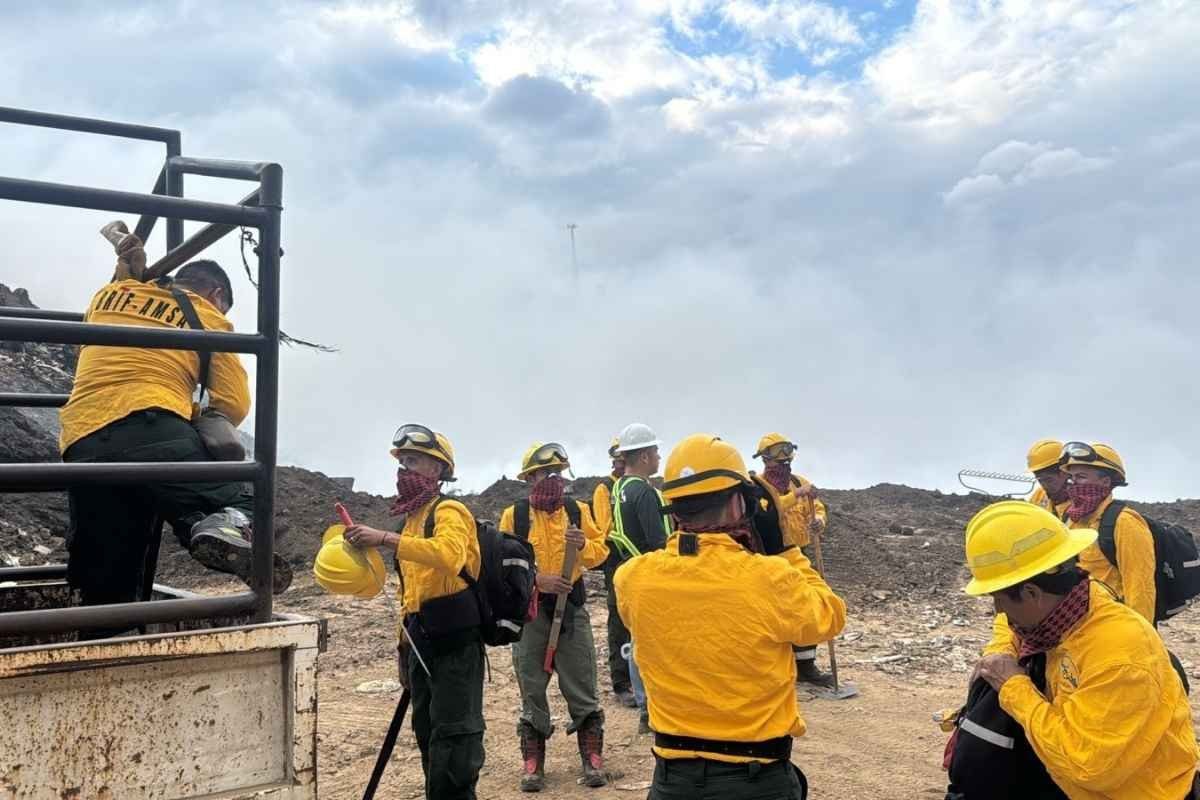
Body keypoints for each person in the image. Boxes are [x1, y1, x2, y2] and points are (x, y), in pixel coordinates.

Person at [59, 237, 290, 627]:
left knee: (109, 571)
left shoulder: (110, 294)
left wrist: (127, 270)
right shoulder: (207, 314)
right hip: (150, 423)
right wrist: (198, 412)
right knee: (252, 501)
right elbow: (233, 401)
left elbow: (115, 300)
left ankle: (103, 642)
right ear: (216, 294)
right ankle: (222, 522)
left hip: (79, 439)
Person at [616, 434, 846, 800]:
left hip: (672, 782)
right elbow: (828, 617)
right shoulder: (771, 579)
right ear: (741, 503)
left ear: (673, 509)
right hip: (756, 781)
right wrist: (784, 548)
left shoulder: (632, 579)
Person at [966, 501, 1197, 799]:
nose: (997, 610)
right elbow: (1006, 624)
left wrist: (1013, 687)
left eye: (998, 598)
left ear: (1033, 593)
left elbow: (1086, 765)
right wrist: (1001, 653)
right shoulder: (1073, 603)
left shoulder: (1119, 658)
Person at [344, 425, 484, 800]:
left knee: (454, 741)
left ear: (437, 470)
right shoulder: (412, 519)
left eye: (413, 461)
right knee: (428, 734)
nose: (404, 469)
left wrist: (385, 538)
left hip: (455, 647)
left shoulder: (449, 510)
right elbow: (411, 594)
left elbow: (450, 555)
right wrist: (403, 649)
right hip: (421, 645)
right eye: (402, 462)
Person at [500, 442, 609, 791]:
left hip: (571, 608)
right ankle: (533, 759)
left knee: (581, 680)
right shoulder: (514, 516)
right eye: (544, 473)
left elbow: (598, 554)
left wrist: (582, 546)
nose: (551, 479)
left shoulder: (577, 511)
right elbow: (503, 565)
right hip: (531, 612)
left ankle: (592, 756)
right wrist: (536, 579)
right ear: (529, 477)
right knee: (531, 683)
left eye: (557, 473)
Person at [751, 432, 835, 688]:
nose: (783, 467)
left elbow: (818, 507)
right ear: (765, 460)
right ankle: (775, 665)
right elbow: (771, 508)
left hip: (799, 554)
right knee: (774, 612)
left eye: (787, 462)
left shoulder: (799, 482)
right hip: (770, 557)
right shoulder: (757, 488)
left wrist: (819, 521)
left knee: (805, 607)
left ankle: (806, 666)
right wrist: (797, 495)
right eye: (778, 462)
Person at [608, 422, 671, 732]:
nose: (659, 456)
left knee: (635, 640)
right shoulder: (644, 491)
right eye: (655, 451)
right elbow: (657, 539)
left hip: (629, 572)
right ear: (645, 456)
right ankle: (652, 707)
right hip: (651, 571)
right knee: (650, 641)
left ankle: (645, 703)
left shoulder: (618, 488)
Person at [1059, 442, 1156, 625]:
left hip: (1113, 623)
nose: (1073, 483)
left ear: (1105, 482)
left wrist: (1138, 635)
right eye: (1071, 477)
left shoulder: (1125, 522)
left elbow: (1140, 589)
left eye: (1081, 477)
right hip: (1076, 623)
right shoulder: (1070, 519)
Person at [592, 437, 637, 708]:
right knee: (619, 620)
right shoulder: (605, 489)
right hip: (617, 560)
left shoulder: (639, 486)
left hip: (638, 559)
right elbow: (604, 528)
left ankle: (642, 676)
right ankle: (621, 681)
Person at [1026, 438, 1069, 516]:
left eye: (1048, 480)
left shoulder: (1084, 499)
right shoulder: (1039, 495)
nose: (1044, 485)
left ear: (1065, 472)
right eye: (1039, 479)